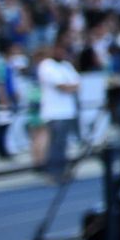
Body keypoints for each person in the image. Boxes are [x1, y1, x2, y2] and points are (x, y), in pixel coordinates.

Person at [36, 42, 81, 182]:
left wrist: (70, 86)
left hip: (67, 111)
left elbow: (77, 84)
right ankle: (54, 172)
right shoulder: (47, 65)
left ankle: (62, 170)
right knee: (56, 143)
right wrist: (69, 86)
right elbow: (63, 86)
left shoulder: (66, 66)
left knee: (64, 143)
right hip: (54, 112)